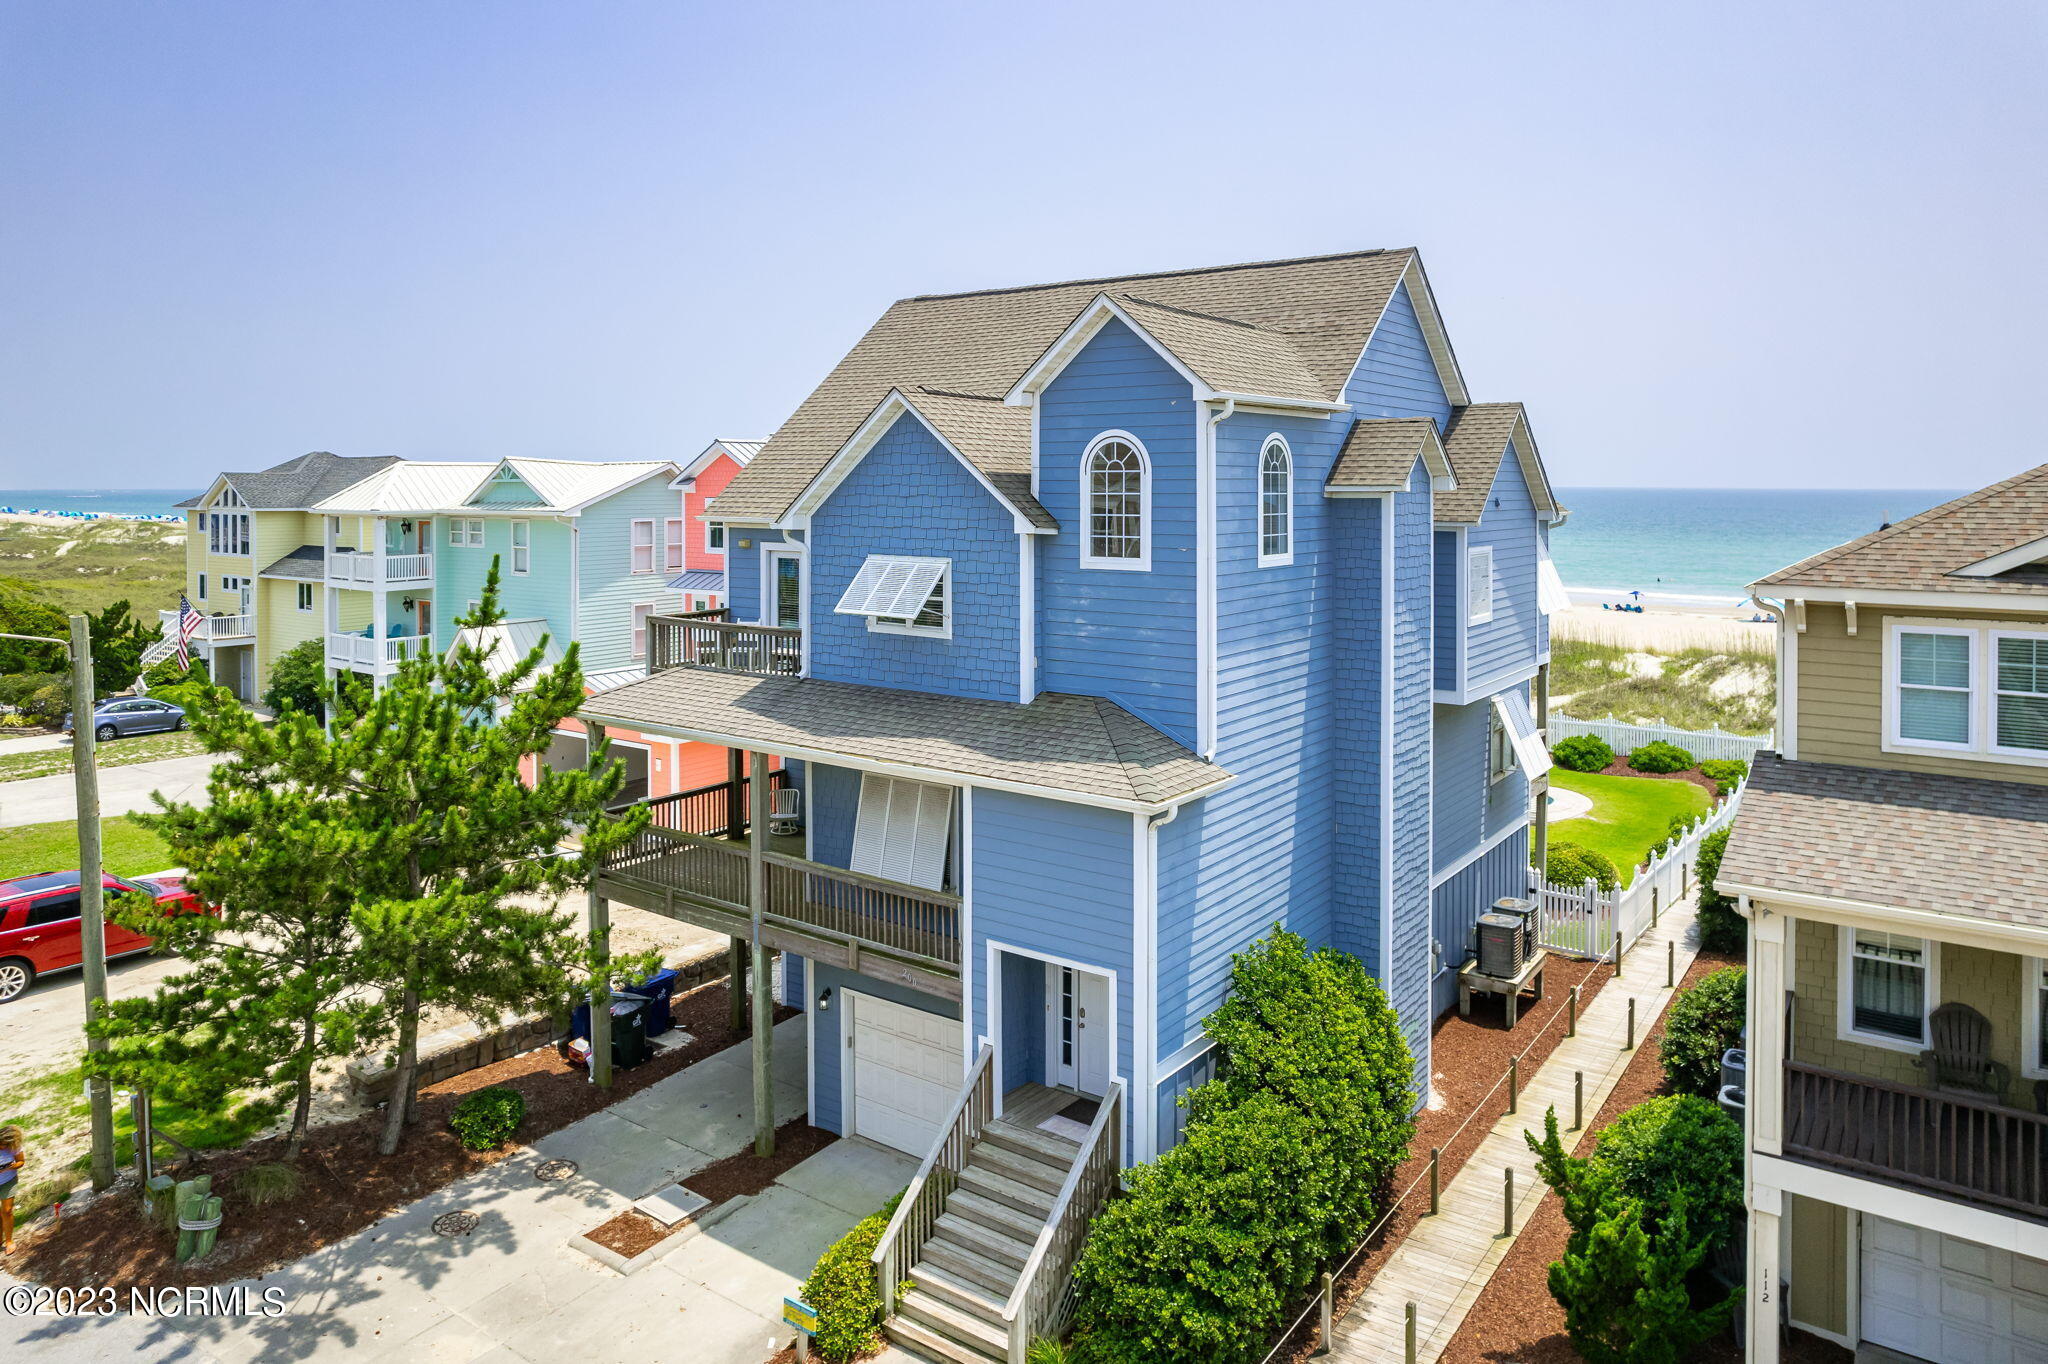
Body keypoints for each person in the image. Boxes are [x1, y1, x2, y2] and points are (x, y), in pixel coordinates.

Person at [0, 1124, 22, 1252]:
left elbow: (21, 1161)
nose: (3, 1147)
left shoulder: (14, 1146)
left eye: (6, 1145)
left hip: (8, 1181)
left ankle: (9, 1241)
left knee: (7, 1211)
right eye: (2, 1144)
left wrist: (12, 1166)